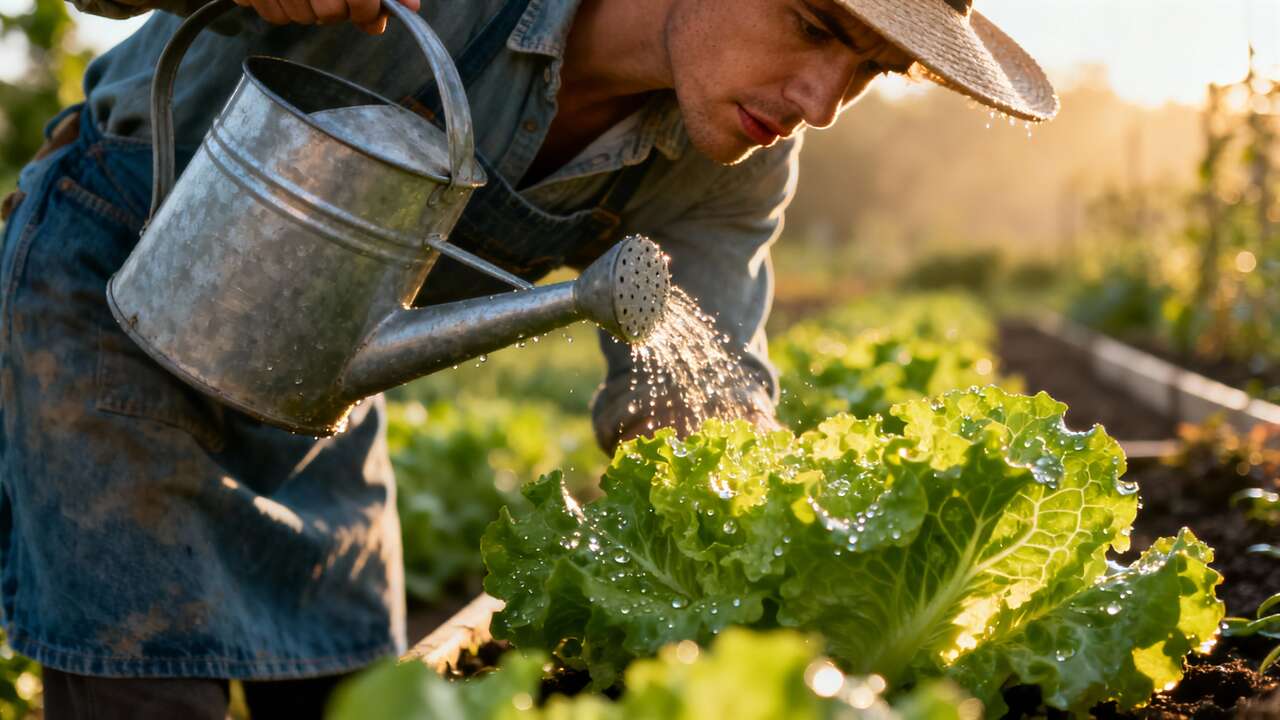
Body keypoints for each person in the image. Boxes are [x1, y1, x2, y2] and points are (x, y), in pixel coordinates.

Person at [0, 0, 1057, 715]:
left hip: (318, 368)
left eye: (869, 67)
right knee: (145, 684)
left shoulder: (727, 167)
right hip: (120, 287)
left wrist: (759, 586)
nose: (821, 100)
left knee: (360, 693)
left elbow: (706, 397)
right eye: (813, 24)